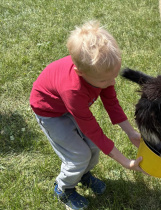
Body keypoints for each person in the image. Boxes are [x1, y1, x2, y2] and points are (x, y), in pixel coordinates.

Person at [30, 20, 144, 210]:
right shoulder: (72, 90)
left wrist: (131, 133)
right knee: (78, 155)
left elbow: (111, 103)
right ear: (80, 73)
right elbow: (93, 130)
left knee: (92, 148)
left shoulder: (102, 75)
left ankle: (83, 175)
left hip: (68, 107)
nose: (111, 82)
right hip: (49, 112)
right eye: (105, 80)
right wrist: (125, 162)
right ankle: (63, 188)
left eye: (114, 76)